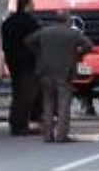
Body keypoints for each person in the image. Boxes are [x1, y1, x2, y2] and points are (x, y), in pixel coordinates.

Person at [25, 10, 94, 143]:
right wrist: (77, 55)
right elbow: (89, 45)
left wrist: (39, 54)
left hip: (45, 71)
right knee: (63, 104)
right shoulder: (73, 34)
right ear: (68, 21)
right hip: (64, 72)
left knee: (48, 103)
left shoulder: (45, 32)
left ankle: (47, 135)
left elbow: (28, 41)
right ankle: (61, 135)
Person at [1, 0, 42, 136]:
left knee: (17, 92)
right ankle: (21, 126)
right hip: (27, 63)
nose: (34, 6)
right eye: (32, 3)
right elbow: (37, 41)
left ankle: (14, 123)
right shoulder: (30, 22)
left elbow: (5, 45)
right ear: (26, 5)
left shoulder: (8, 22)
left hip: (12, 62)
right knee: (27, 95)